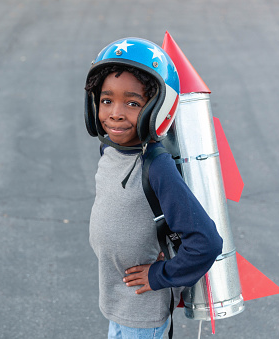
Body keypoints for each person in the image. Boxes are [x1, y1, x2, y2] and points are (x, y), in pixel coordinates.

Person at [84, 38, 223, 339]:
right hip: (116, 297)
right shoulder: (109, 151)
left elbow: (207, 241)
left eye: (133, 103)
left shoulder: (156, 167)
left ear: (158, 109)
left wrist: (162, 275)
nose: (115, 113)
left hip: (143, 310)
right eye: (107, 100)